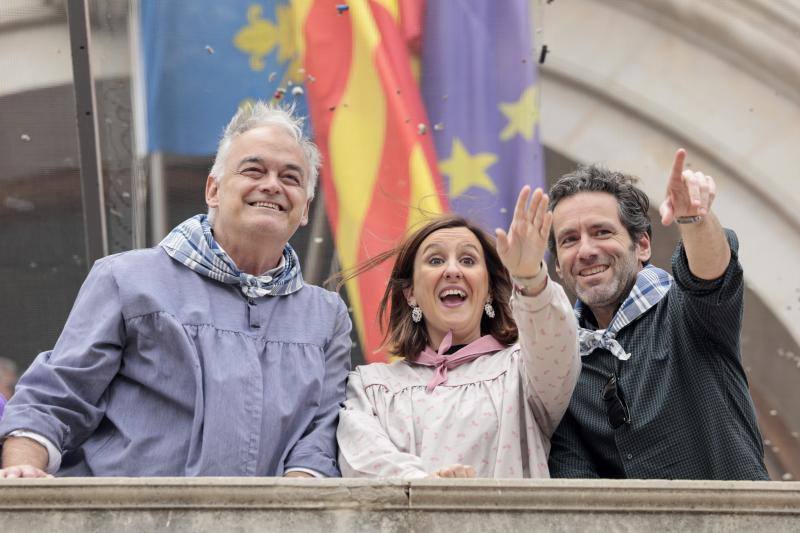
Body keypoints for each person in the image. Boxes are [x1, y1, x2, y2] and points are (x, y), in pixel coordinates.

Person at [0, 102, 351, 478]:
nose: (271, 185)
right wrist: (22, 471)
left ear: (304, 209)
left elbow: (320, 435)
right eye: (253, 170)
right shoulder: (127, 279)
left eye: (291, 178)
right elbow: (59, 394)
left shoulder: (325, 317)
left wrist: (294, 510)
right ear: (213, 189)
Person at [546, 149, 769, 480]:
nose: (586, 250)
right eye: (569, 239)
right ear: (559, 267)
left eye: (602, 232)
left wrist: (695, 220)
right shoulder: (560, 362)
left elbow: (708, 275)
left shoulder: (687, 311)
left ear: (643, 246)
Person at [336, 187, 580, 478]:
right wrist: (429, 487)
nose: (453, 270)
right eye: (436, 261)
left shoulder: (523, 370)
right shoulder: (370, 386)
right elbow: (361, 456)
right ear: (411, 293)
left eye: (468, 261)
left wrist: (530, 277)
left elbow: (557, 343)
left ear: (489, 290)